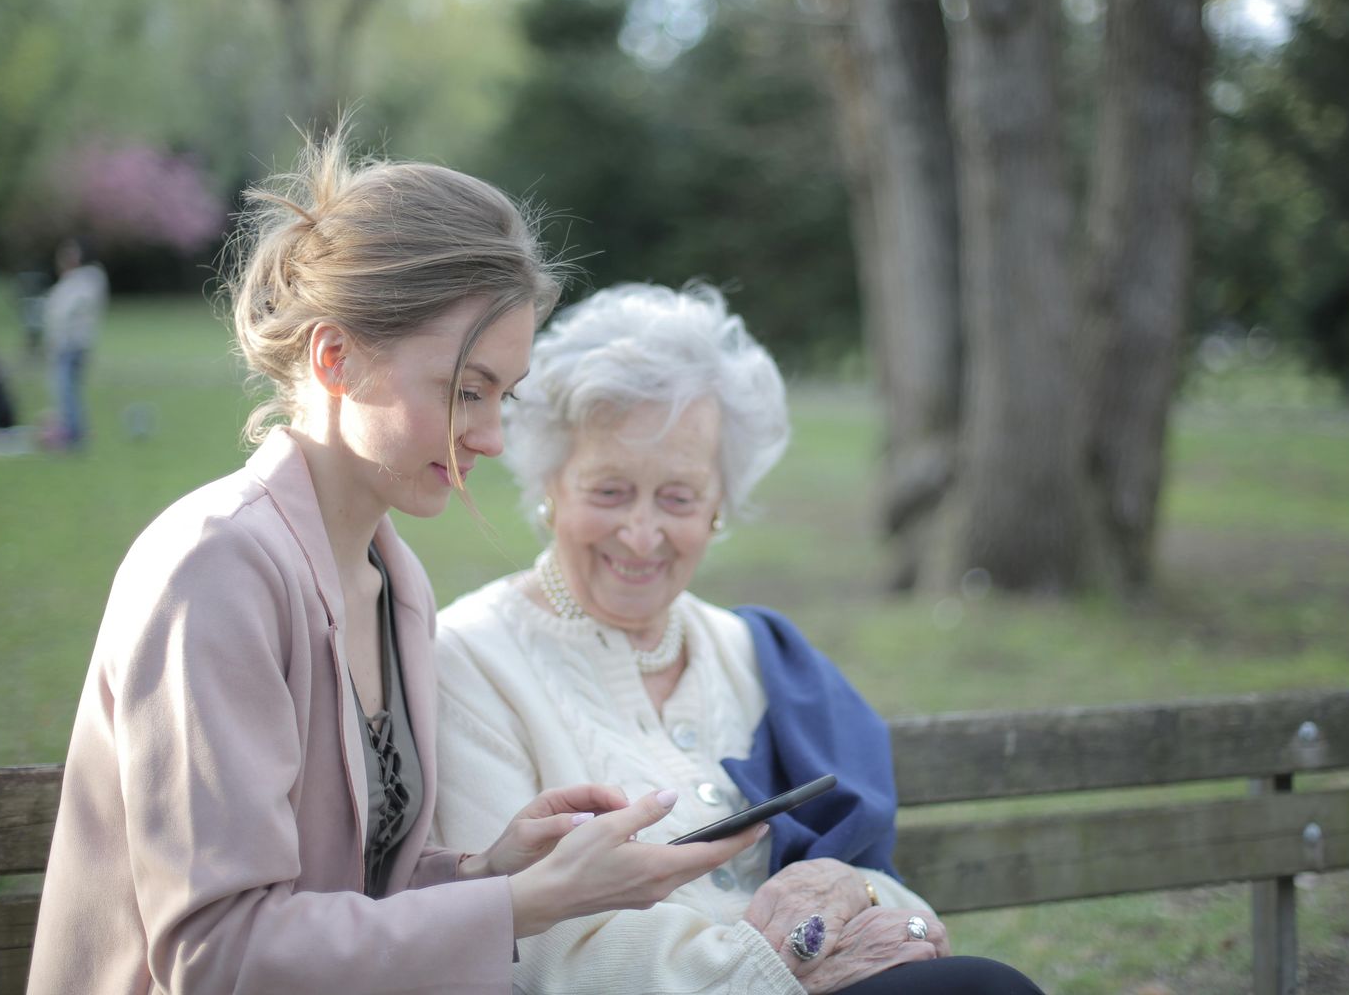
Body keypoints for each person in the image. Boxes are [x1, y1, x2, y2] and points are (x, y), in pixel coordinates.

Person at [28, 137, 761, 994]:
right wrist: (519, 907)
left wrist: (491, 871)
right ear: (335, 357)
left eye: (503, 396)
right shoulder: (214, 568)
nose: (490, 437)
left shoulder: (393, 579)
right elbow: (218, 955)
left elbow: (346, 895)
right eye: (463, 390)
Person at [434, 285, 1043, 994]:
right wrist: (776, 964)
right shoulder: (469, 660)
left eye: (678, 498)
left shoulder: (758, 655)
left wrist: (856, 894)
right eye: (608, 491)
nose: (641, 533)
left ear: (719, 507)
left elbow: (896, 903)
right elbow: (539, 950)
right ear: (551, 487)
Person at [42, 236, 108, 447]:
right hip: (68, 345)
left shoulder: (85, 281)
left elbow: (64, 313)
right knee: (67, 391)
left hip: (72, 346)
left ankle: (73, 435)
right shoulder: (73, 283)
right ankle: (72, 431)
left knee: (66, 391)